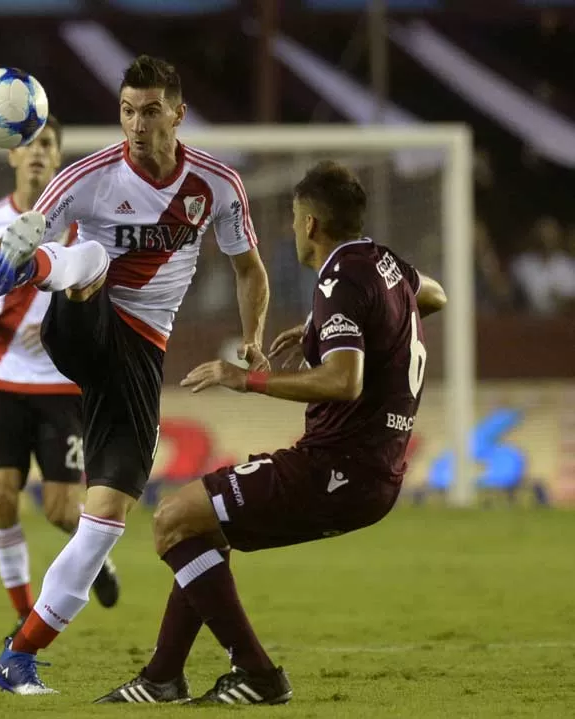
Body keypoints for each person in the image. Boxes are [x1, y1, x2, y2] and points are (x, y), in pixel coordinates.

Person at [0, 55, 271, 694]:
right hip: (80, 321)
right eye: (127, 110)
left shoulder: (217, 185)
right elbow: (30, 230)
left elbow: (249, 270)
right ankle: (28, 273)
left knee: (101, 523)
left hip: (136, 363)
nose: (136, 123)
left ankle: (18, 656)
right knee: (93, 254)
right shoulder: (87, 177)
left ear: (178, 113)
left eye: (151, 110)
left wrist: (254, 340)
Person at [96, 160, 448, 704]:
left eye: (291, 218)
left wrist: (248, 379)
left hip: (335, 467)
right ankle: (162, 677)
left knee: (171, 520)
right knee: (199, 526)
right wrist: (325, 326)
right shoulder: (384, 263)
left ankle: (258, 675)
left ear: (309, 224)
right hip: (372, 471)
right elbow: (435, 296)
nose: (290, 228)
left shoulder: (337, 278)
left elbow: (344, 381)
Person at [0, 116, 120, 639]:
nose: (35, 152)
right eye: (26, 143)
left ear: (58, 157)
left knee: (60, 509)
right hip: (4, 379)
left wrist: (56, 328)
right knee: (1, 496)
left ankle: (97, 557)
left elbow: (99, 290)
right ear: (10, 154)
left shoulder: (80, 223)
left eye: (46, 144)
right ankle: (22, 612)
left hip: (62, 384)